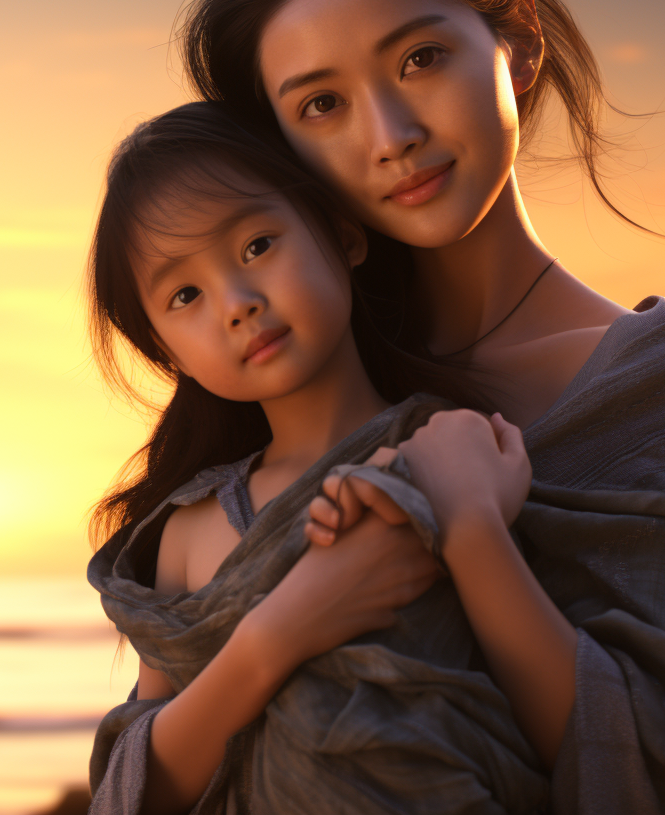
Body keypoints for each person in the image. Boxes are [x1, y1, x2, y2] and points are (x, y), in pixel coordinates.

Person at [178, 0, 665, 813]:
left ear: (515, 36)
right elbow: (155, 763)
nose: (388, 132)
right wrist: (283, 629)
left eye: (419, 59)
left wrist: (473, 531)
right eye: (323, 104)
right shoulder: (287, 386)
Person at [85, 102, 551, 815]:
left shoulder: (456, 453)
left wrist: (472, 523)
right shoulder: (187, 528)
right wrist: (280, 631)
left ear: (341, 233)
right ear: (165, 350)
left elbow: (565, 731)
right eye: (185, 295)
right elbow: (137, 792)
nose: (236, 303)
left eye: (257, 246)